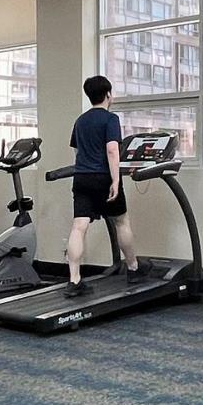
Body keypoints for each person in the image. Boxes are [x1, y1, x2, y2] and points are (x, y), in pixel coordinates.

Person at [64, 75, 143, 296]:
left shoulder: (80, 120)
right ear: (108, 94)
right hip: (103, 177)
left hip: (81, 177)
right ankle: (133, 268)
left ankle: (74, 280)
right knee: (121, 221)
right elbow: (112, 150)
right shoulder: (110, 119)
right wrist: (115, 180)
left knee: (79, 227)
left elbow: (77, 150)